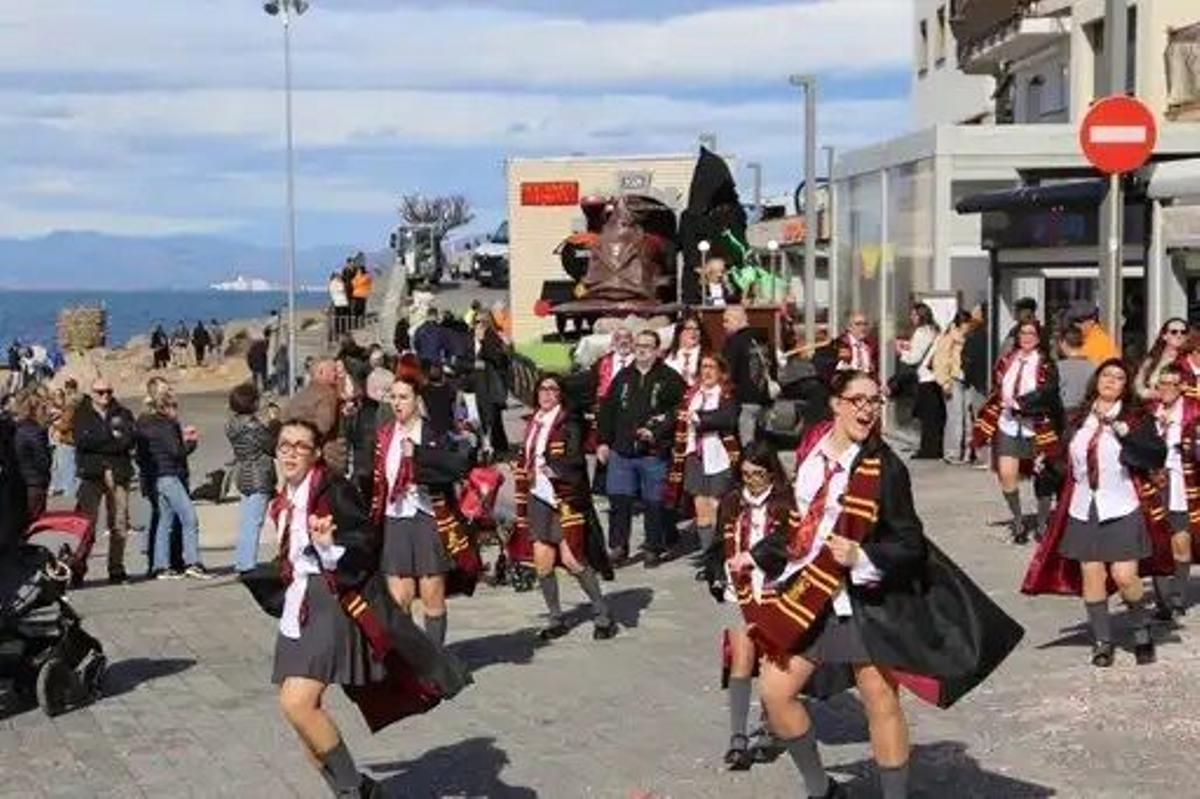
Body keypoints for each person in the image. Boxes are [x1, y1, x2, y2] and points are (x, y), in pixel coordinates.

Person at [746, 370, 1023, 799]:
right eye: (858, 400)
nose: (868, 410)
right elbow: (802, 523)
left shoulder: (886, 466)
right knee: (775, 692)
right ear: (836, 404)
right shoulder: (812, 446)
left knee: (879, 695)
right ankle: (821, 789)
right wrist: (759, 552)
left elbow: (910, 541)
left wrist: (862, 556)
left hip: (862, 598)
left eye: (875, 401)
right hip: (809, 594)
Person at [255, 418, 471, 799]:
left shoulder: (332, 489)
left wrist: (327, 546)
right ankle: (354, 789)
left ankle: (356, 792)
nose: (290, 452)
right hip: (299, 605)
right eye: (284, 445)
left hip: (332, 602)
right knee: (302, 717)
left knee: (297, 702)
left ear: (317, 453)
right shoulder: (286, 493)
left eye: (300, 446)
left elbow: (364, 542)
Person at [1022, 358, 1170, 667]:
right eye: (1106, 375)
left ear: (1125, 387)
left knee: (1125, 575)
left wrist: (1124, 432)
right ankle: (1103, 641)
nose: (1111, 381)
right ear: (1096, 380)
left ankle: (1141, 628)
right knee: (1093, 574)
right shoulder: (1078, 418)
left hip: (1122, 505)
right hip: (1083, 508)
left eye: (1119, 378)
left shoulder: (1136, 418)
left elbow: (1155, 454)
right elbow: (1067, 462)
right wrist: (1048, 466)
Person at [370, 369, 479, 649]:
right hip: (395, 517)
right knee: (400, 597)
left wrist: (417, 458)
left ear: (416, 400)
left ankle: (435, 656)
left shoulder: (434, 433)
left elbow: (455, 467)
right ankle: (412, 658)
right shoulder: (384, 435)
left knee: (432, 592)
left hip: (428, 515)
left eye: (403, 397)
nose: (397, 403)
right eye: (392, 397)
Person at [703, 440, 793, 771]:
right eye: (745, 475)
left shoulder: (786, 503)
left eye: (757, 475)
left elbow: (792, 544)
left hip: (774, 590)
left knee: (771, 661)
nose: (750, 482)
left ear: (771, 473)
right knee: (740, 658)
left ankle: (770, 728)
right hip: (737, 591)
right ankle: (738, 738)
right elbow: (716, 545)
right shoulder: (732, 501)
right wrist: (714, 574)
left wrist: (759, 558)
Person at [513, 374, 616, 641]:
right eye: (542, 389)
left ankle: (601, 611)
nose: (546, 394)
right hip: (538, 497)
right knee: (543, 563)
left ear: (560, 394)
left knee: (572, 559)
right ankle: (556, 617)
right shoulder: (534, 421)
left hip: (564, 497)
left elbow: (575, 458)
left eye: (552, 389)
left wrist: (553, 467)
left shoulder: (568, 421)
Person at [597, 330, 685, 567]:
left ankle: (653, 547)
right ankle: (618, 546)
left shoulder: (670, 378)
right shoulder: (623, 377)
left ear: (658, 350)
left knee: (654, 503)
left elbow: (679, 411)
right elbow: (607, 410)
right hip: (622, 451)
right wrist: (603, 442)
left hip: (653, 453)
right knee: (618, 501)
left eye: (648, 345)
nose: (642, 349)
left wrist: (657, 432)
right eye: (639, 345)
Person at [971, 320, 1061, 544]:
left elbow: (1048, 393)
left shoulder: (1047, 364)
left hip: (1037, 425)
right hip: (1008, 423)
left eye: (1031, 333)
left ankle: (1042, 523)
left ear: (1039, 337)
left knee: (1044, 477)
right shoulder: (1006, 360)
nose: (1027, 337)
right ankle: (1019, 521)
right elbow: (998, 389)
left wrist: (1023, 404)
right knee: (1007, 474)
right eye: (1023, 333)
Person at [665, 355, 740, 566]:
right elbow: (676, 417)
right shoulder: (691, 395)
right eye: (703, 367)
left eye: (711, 367)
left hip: (719, 456)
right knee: (701, 508)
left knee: (717, 506)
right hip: (695, 456)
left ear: (721, 372)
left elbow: (727, 419)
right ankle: (708, 554)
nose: (706, 372)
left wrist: (698, 418)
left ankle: (720, 554)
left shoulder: (726, 395)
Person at [137, 390, 212, 580]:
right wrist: (191, 443)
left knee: (165, 520)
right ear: (166, 407)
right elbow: (176, 452)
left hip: (156, 476)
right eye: (174, 406)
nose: (176, 411)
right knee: (189, 518)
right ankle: (193, 562)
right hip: (170, 474)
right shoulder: (167, 425)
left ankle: (160, 565)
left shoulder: (145, 424)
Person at [1148, 364, 1199, 619]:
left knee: (1180, 540)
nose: (1167, 388)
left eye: (1172, 384)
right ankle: (1162, 601)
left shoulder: (1193, 413)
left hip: (1180, 482)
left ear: (1181, 387)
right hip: (1152, 484)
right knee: (1156, 542)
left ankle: (1177, 595)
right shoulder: (1148, 413)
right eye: (1162, 384)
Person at [74, 379, 136, 584]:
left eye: (108, 391)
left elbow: (127, 440)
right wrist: (111, 440)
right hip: (91, 474)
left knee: (119, 522)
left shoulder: (123, 413)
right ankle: (78, 566)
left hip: (118, 473)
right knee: (85, 523)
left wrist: (101, 442)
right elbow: (82, 441)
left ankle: (116, 567)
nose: (105, 396)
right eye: (100, 392)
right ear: (91, 393)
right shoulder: (81, 415)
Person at [226, 382, 279, 574]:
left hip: (244, 472)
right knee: (254, 521)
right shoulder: (253, 426)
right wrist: (274, 422)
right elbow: (272, 446)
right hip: (259, 474)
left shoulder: (233, 425)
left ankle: (242, 559)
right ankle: (247, 563)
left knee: (246, 520)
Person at [722, 305, 775, 446]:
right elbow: (773, 366)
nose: (724, 325)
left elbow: (728, 371)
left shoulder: (735, 341)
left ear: (737, 320)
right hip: (767, 399)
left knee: (748, 446)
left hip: (745, 400)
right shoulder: (763, 340)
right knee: (765, 444)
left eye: (727, 321)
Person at [895, 303, 942, 460]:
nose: (911, 318)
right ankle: (935, 447)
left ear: (921, 316)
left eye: (914, 315)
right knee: (935, 416)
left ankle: (928, 449)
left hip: (925, 378)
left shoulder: (921, 332)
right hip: (935, 376)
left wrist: (901, 351)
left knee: (927, 417)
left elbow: (914, 358)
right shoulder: (935, 330)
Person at [933, 310, 971, 464]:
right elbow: (940, 361)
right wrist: (944, 382)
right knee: (955, 418)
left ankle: (967, 452)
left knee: (968, 418)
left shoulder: (966, 339)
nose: (968, 327)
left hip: (966, 380)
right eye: (966, 324)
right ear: (960, 324)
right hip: (953, 380)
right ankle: (951, 453)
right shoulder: (948, 339)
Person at [470, 315, 511, 455]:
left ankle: (497, 448)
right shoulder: (471, 338)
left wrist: (483, 343)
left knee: (491, 417)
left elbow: (498, 359)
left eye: (483, 322)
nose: (480, 325)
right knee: (483, 417)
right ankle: (493, 447)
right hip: (477, 383)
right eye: (477, 322)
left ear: (489, 323)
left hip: (490, 384)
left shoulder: (492, 338)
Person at [12, 392, 51, 520]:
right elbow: (43, 461)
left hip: (17, 482)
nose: (46, 412)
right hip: (33, 485)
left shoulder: (15, 428)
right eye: (43, 408)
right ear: (34, 410)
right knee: (32, 525)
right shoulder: (34, 432)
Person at [1135, 318, 1189, 401]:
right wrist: (1147, 393)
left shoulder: (1189, 360)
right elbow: (1138, 385)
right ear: (1164, 336)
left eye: (1183, 332)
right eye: (1174, 332)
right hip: (1150, 407)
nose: (1179, 335)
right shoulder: (1152, 359)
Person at [48, 381, 78, 498]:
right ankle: (64, 489)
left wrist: (55, 425)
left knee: (68, 468)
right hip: (62, 440)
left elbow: (66, 425)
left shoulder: (71, 406)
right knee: (61, 466)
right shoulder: (69, 406)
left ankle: (69, 493)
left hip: (66, 440)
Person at [1056, 326, 1094, 417]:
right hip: (1087, 415)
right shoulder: (1094, 366)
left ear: (1063, 343)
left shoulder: (1058, 367)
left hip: (1065, 415)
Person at [665, 311, 708, 388]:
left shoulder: (707, 355)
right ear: (679, 332)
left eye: (697, 329)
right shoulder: (667, 355)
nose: (693, 332)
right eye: (689, 329)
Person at [328, 271, 349, 336]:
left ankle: (338, 329)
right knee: (342, 317)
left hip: (338, 301)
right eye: (339, 275)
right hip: (341, 302)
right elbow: (342, 290)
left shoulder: (331, 283)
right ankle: (341, 330)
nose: (340, 276)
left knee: (339, 317)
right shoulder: (337, 282)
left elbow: (331, 292)